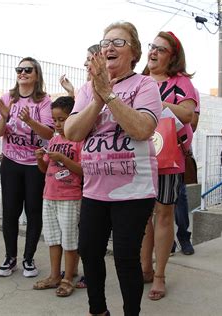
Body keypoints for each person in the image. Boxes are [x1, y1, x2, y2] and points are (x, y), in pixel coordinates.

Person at [64, 21, 162, 316]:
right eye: (105, 42)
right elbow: (72, 132)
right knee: (90, 252)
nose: (108, 47)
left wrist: (109, 95)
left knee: (125, 257)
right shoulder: (86, 90)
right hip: (94, 190)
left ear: (135, 53)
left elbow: (142, 128)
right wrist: (97, 97)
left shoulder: (145, 85)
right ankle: (98, 311)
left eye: (118, 42)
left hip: (133, 191)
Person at [140, 31, 198, 301]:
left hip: (168, 157)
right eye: (152, 47)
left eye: (161, 50)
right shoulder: (137, 80)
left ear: (172, 56)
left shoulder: (180, 82)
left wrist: (158, 103)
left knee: (163, 214)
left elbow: (188, 114)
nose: (153, 52)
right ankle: (145, 268)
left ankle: (160, 275)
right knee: (143, 217)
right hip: (138, 157)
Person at [0, 57, 54, 278]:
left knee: (33, 212)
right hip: (10, 163)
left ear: (36, 75)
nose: (22, 73)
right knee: (10, 211)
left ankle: (29, 258)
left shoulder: (44, 101)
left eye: (28, 70)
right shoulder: (7, 98)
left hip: (34, 165)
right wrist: (6, 116)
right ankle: (10, 258)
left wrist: (30, 121)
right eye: (19, 69)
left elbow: (48, 133)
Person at [57, 44, 102, 290]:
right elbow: (77, 118)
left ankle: (85, 271)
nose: (86, 64)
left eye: (89, 59)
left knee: (89, 228)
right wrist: (72, 90)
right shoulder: (86, 90)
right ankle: (78, 269)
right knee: (82, 227)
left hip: (95, 167)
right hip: (84, 164)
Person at [32, 96, 83, 297]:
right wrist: (39, 160)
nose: (58, 124)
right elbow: (45, 169)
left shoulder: (79, 140)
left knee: (70, 240)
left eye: (62, 119)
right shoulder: (53, 140)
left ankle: (68, 277)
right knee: (53, 238)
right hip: (50, 195)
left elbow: (83, 170)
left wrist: (62, 158)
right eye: (55, 120)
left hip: (70, 197)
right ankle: (54, 275)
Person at [171, 88, 200, 256]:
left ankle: (184, 237)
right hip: (153, 148)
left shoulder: (187, 89)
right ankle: (168, 241)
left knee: (179, 197)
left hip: (177, 149)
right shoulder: (148, 82)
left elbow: (193, 121)